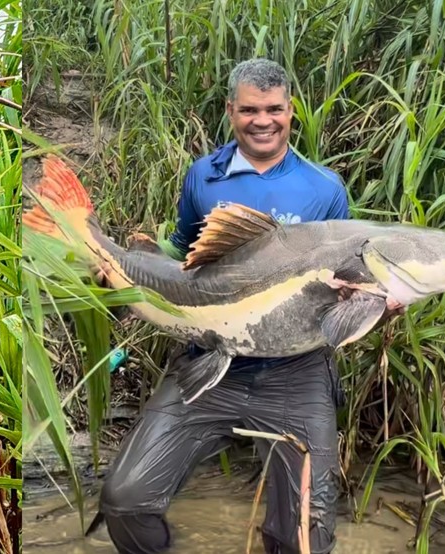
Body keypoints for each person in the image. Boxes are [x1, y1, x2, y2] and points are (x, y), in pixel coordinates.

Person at [96, 59, 352, 553]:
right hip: (209, 361)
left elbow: (345, 281)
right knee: (125, 498)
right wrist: (138, 262)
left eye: (274, 109)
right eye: (250, 109)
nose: (264, 121)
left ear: (291, 110)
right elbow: (186, 253)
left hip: (296, 375)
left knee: (307, 534)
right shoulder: (203, 177)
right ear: (231, 110)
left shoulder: (325, 190)